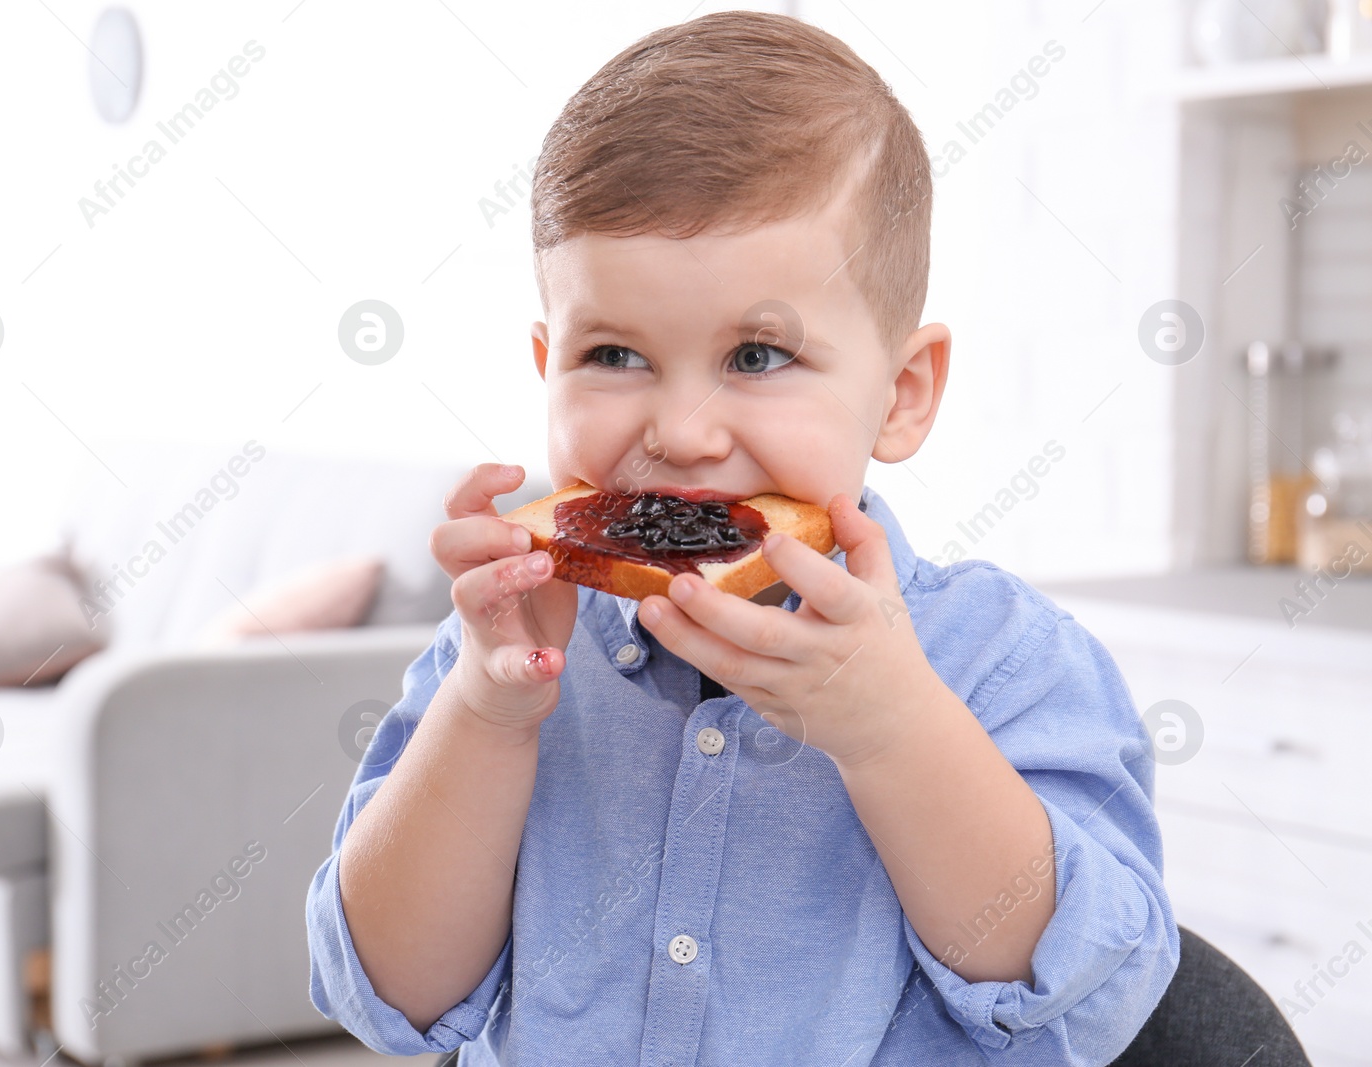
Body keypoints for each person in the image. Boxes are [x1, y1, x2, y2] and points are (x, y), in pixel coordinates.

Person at [306, 11, 1178, 1064]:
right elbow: (385, 994)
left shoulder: (1005, 661)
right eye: (614, 352)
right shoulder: (499, 652)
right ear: (547, 364)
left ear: (901, 394)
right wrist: (490, 716)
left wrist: (890, 728)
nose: (678, 434)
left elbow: (1091, 997)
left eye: (757, 357)